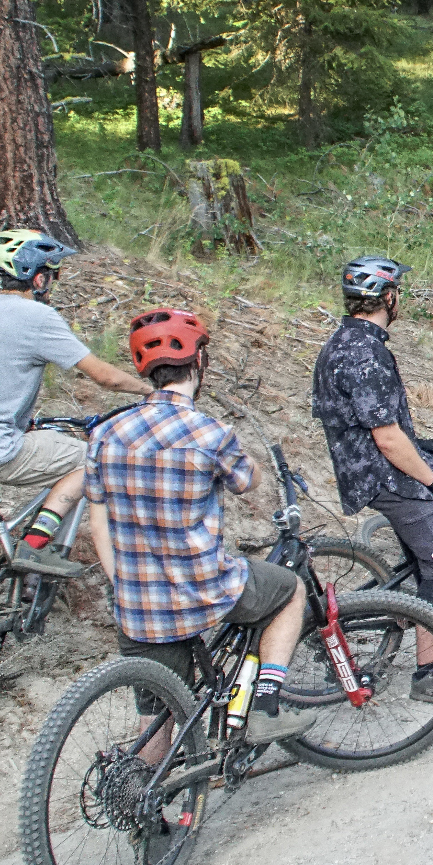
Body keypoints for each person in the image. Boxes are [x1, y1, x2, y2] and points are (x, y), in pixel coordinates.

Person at [84, 309, 316, 746]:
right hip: (204, 588)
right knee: (290, 591)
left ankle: (142, 782)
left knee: (156, 719)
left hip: (137, 602)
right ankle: (265, 708)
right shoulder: (210, 434)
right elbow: (248, 482)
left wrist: (126, 587)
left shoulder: (105, 434)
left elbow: (99, 523)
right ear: (199, 362)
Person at [0, 229, 150, 605]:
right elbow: (103, 376)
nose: (53, 282)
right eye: (52, 274)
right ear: (39, 278)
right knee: (94, 458)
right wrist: (150, 393)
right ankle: (36, 545)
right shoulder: (36, 315)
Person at [312, 257, 433, 666]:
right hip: (385, 476)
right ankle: (428, 668)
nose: (399, 298)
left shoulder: (342, 342)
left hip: (365, 467)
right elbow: (386, 439)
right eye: (397, 292)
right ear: (388, 297)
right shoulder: (365, 354)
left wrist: (423, 450)